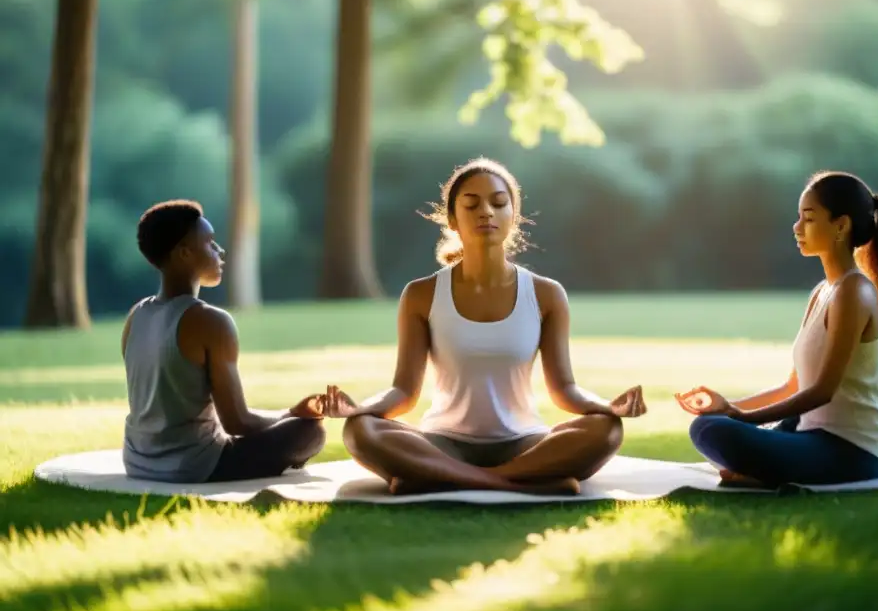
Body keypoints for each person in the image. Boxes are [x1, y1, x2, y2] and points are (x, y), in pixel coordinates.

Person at [321, 157, 647, 496]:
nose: (486, 212)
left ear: (513, 216)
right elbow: (403, 392)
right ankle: (520, 482)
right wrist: (360, 409)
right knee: (360, 431)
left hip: (523, 442)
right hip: (443, 443)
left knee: (606, 430)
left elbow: (565, 389)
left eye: (498, 203)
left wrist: (609, 407)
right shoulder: (421, 294)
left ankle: (436, 477)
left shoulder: (546, 294)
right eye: (471, 204)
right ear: (452, 219)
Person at [677, 170, 878, 488]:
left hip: (851, 450)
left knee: (715, 431)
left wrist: (741, 417)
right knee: (709, 424)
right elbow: (793, 386)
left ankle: (764, 472)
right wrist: (729, 406)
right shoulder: (823, 291)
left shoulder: (854, 291)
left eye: (809, 218)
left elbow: (822, 391)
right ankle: (764, 470)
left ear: (841, 225)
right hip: (808, 431)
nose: (797, 227)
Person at [122, 200, 329, 484]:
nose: (220, 251)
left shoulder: (136, 315)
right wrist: (291, 413)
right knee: (310, 432)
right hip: (192, 466)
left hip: (137, 461)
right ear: (184, 253)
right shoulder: (211, 321)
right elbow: (237, 422)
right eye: (210, 243)